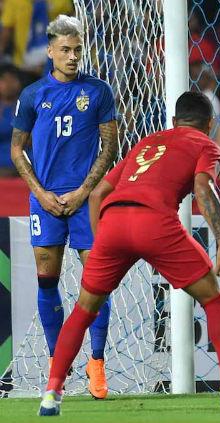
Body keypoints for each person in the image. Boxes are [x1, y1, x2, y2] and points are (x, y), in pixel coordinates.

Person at [38, 91, 220, 416]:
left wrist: (102, 238)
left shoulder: (147, 143)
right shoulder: (206, 146)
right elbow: (204, 187)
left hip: (113, 222)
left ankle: (51, 394)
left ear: (174, 122)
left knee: (83, 310)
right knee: (213, 299)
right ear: (210, 124)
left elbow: (99, 191)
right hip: (155, 222)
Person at [10, 15, 116, 399]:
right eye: (66, 50)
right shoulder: (34, 94)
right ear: (51, 50)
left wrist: (85, 190)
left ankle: (97, 362)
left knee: (97, 280)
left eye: (78, 50)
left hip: (85, 199)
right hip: (46, 199)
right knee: (47, 277)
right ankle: (59, 363)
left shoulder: (99, 91)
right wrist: (40, 193)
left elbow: (110, 147)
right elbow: (17, 149)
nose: (73, 57)